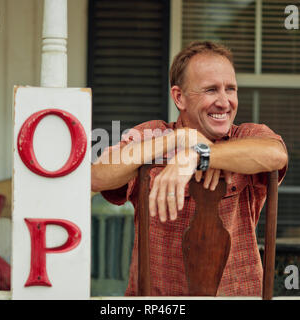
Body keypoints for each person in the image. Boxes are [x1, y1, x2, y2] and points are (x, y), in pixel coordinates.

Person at [91, 41, 288, 296]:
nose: (224, 101)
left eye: (230, 89)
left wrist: (200, 155)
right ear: (179, 97)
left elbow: (275, 154)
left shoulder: (247, 135)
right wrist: (178, 140)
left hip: (238, 296)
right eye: (210, 90)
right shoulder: (153, 135)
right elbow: (97, 177)